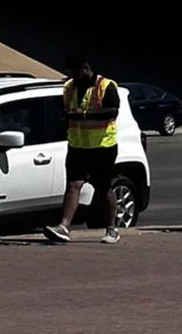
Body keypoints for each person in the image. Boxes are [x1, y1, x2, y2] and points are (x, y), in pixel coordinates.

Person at [42, 53, 122, 245]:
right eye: (70, 73)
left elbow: (113, 111)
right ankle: (63, 227)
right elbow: (68, 109)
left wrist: (84, 115)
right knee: (73, 185)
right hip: (77, 145)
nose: (73, 77)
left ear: (86, 68)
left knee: (103, 188)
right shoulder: (69, 87)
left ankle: (112, 229)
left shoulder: (105, 86)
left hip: (102, 146)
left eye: (76, 73)